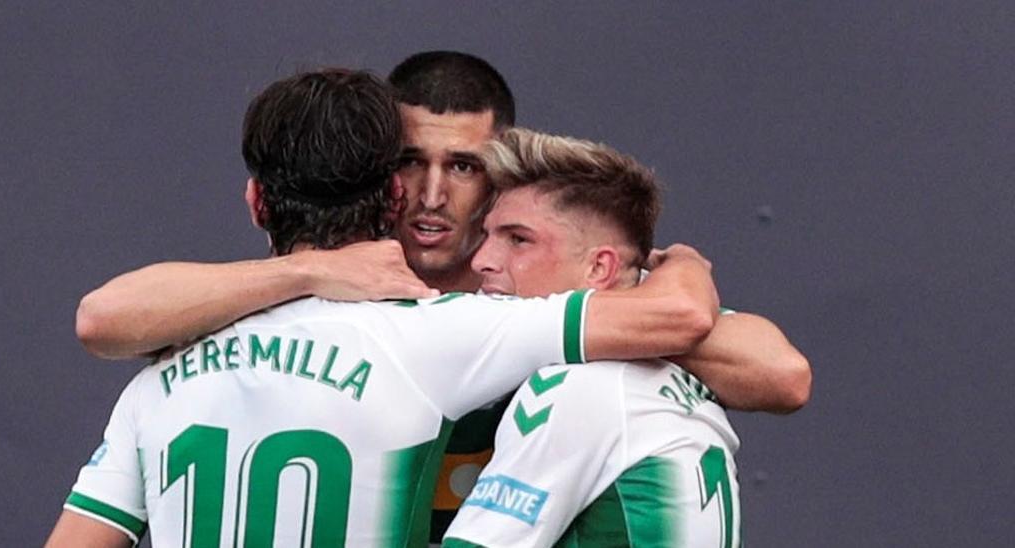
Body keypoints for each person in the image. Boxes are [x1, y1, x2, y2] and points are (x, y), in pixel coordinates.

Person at [72, 51, 810, 543]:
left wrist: (659, 270)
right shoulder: (333, 310)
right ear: (380, 176)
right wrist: (307, 275)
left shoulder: (553, 292)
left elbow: (776, 373)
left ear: (500, 171)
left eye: (462, 165)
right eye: (411, 162)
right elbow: (103, 319)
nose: (431, 195)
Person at [443, 128, 763, 547]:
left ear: (599, 269)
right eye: (487, 236)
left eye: (518, 240)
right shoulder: (679, 367)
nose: (483, 260)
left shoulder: (573, 388)